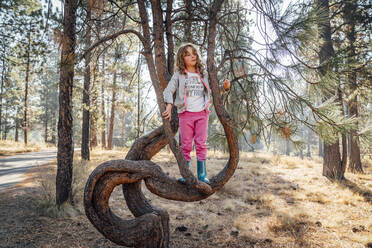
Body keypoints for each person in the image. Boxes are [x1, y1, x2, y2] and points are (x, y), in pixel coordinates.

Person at [162, 43, 230, 184]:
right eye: (187, 54)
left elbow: (213, 91)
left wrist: (224, 88)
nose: (192, 56)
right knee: (185, 145)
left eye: (194, 53)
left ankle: (202, 174)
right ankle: (186, 175)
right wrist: (169, 106)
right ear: (182, 58)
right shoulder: (179, 75)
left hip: (201, 114)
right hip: (186, 114)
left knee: (201, 143)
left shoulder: (203, 74)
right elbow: (168, 90)